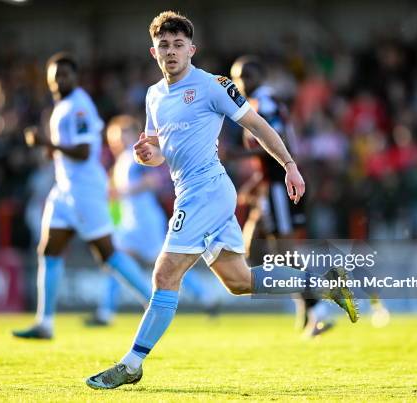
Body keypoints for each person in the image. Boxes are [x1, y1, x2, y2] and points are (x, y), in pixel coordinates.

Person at [86, 11, 358, 389]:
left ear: (191, 49)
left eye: (178, 45)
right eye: (164, 45)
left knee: (165, 274)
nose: (171, 52)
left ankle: (132, 363)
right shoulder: (153, 96)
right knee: (239, 280)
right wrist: (147, 155)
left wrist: (290, 166)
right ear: (153, 52)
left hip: (207, 191)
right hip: (194, 192)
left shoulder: (214, 85)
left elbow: (257, 126)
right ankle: (321, 284)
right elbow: (158, 148)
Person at [12, 52, 151, 340]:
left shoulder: (79, 106)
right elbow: (66, 150)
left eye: (65, 74)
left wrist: (46, 142)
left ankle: (155, 302)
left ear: (75, 77)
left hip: (85, 190)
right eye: (55, 75)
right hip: (64, 189)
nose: (59, 80)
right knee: (49, 251)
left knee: (108, 254)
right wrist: (49, 147)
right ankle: (45, 323)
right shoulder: (61, 106)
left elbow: (85, 151)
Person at [230, 55, 334, 337]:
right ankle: (307, 306)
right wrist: (255, 181)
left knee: (287, 254)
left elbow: (277, 144)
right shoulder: (255, 104)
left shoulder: (267, 102)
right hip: (267, 186)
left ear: (260, 78)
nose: (242, 83)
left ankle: (318, 309)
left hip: (279, 185)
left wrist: (235, 154)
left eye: (247, 76)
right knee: (252, 248)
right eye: (237, 78)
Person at [87, 115, 218, 326]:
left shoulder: (135, 157)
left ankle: (203, 296)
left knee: (163, 264)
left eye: (121, 135)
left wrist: (120, 192)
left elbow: (154, 180)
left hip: (145, 222)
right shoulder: (123, 161)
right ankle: (107, 312)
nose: (116, 141)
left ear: (132, 134)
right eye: (113, 138)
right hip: (132, 223)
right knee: (116, 260)